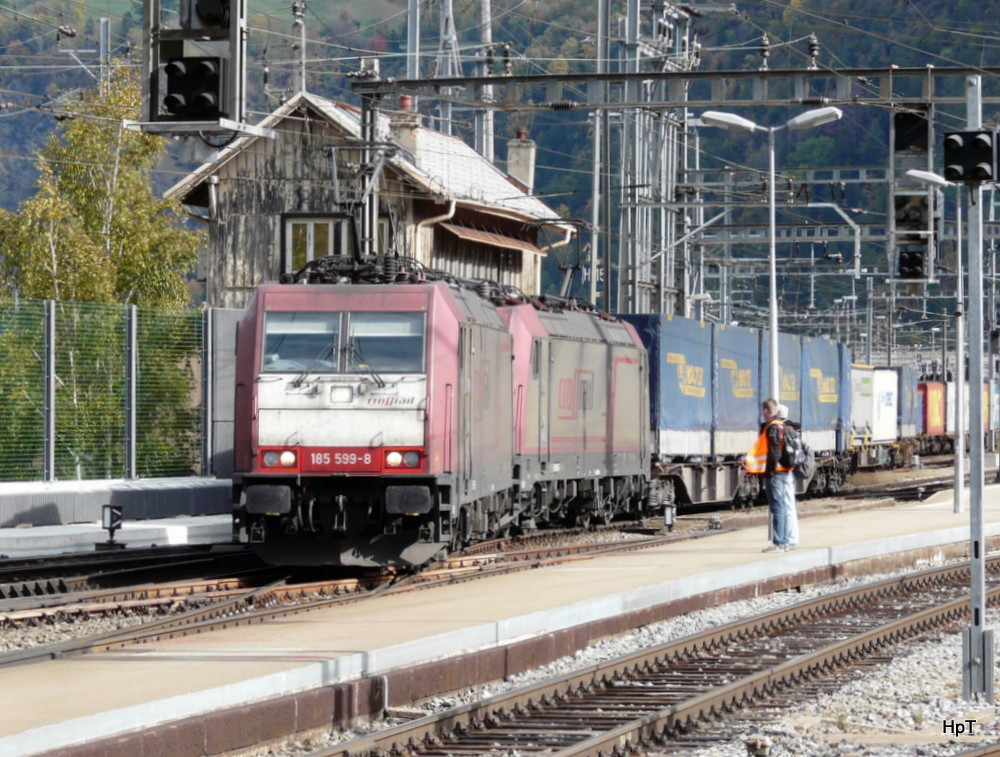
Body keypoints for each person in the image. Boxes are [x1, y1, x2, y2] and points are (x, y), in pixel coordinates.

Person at [744, 398, 795, 552]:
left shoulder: (772, 428)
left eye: (763, 410)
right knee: (783, 507)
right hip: (784, 472)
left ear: (767, 411)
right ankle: (784, 541)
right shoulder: (782, 426)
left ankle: (779, 542)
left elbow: (774, 452)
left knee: (777, 507)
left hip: (776, 473)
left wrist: (769, 472)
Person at [776, 404, 800, 551]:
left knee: (783, 507)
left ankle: (788, 539)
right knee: (789, 506)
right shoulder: (792, 431)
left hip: (782, 472)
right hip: (790, 470)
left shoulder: (780, 431)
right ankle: (792, 538)